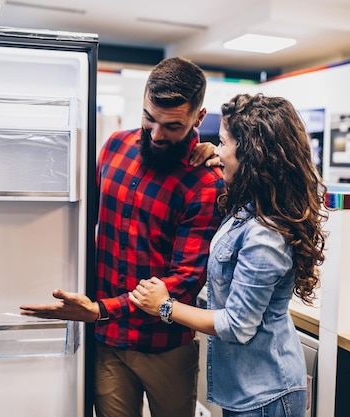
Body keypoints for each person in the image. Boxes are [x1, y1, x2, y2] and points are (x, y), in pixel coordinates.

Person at [20, 57, 224, 417]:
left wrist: (100, 309)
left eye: (173, 126)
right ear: (143, 101)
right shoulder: (115, 147)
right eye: (149, 118)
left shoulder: (205, 181)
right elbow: (80, 221)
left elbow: (186, 279)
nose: (158, 135)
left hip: (165, 348)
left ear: (199, 117)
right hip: (109, 343)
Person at [130, 93, 328, 417]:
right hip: (246, 388)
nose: (217, 150)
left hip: (265, 394)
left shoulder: (265, 235)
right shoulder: (250, 206)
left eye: (222, 142)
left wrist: (165, 306)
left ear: (251, 153)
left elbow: (237, 326)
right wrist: (215, 155)